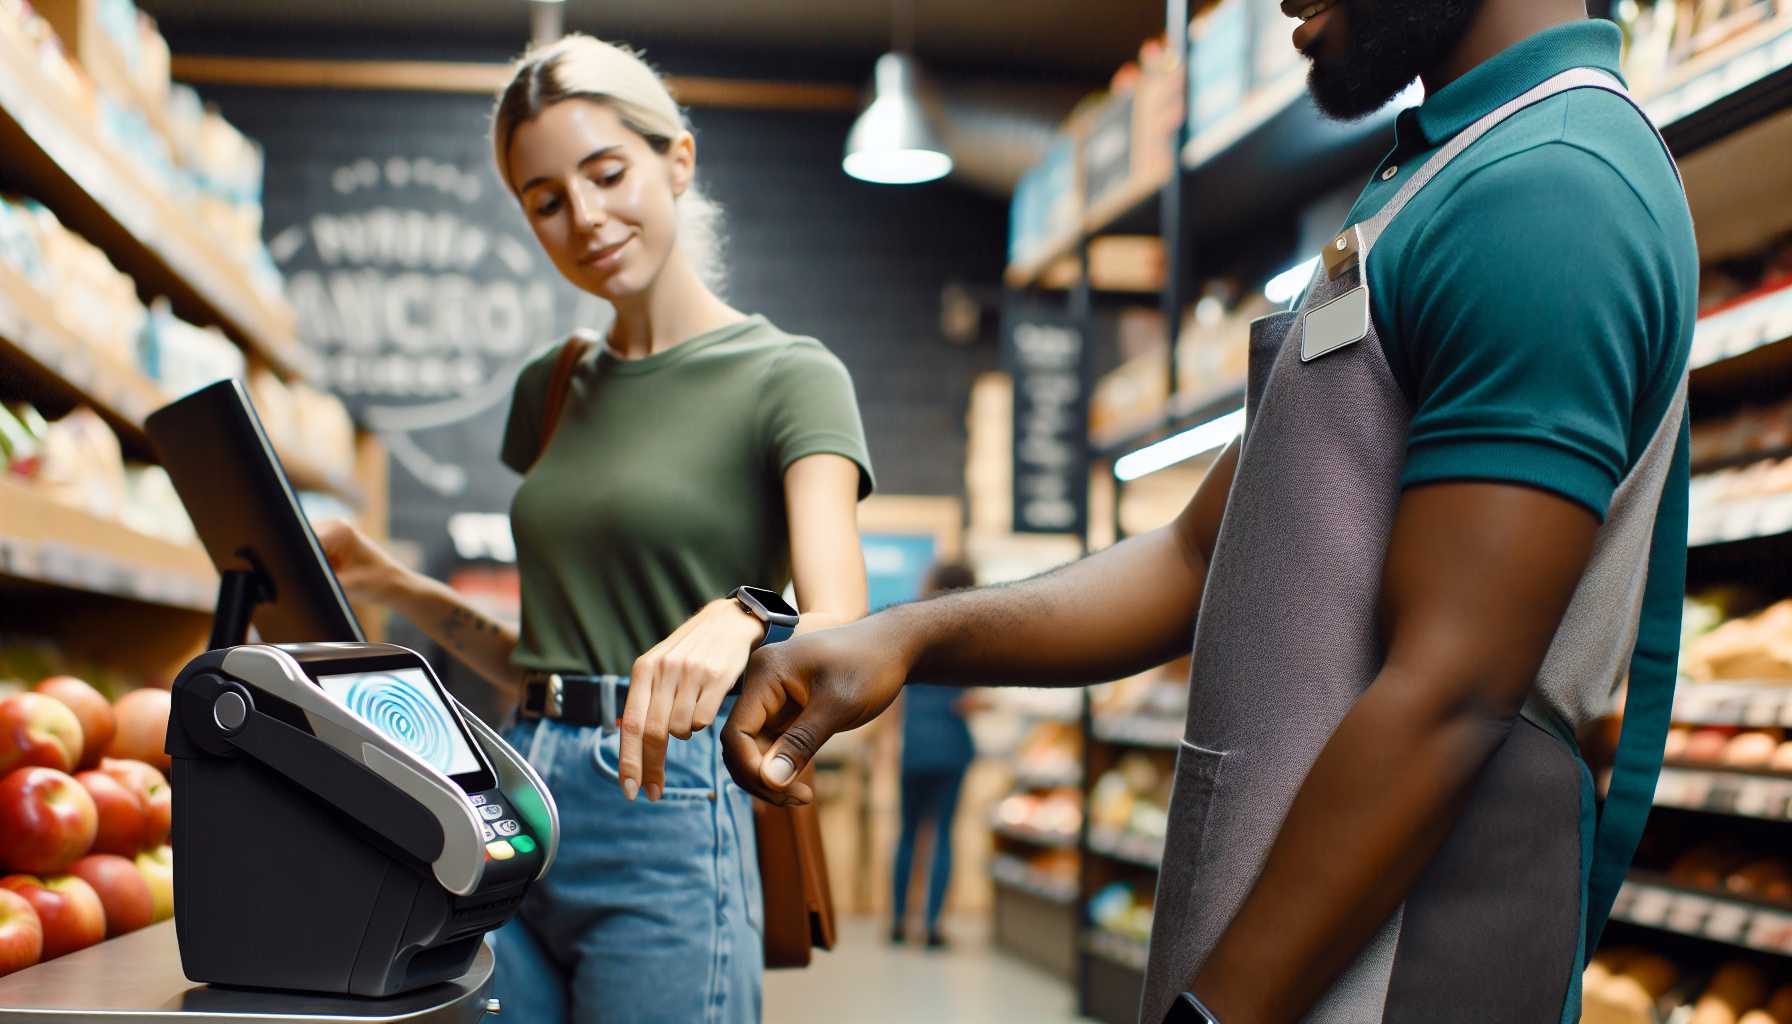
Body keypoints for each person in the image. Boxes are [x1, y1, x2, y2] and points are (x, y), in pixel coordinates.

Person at [721, 1, 1696, 1021]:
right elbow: (1197, 553)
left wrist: (1214, 1014)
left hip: (1398, 972)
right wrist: (906, 636)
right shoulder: (1440, 182)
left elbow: (1450, 689)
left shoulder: (1551, 187)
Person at [316, 34, 874, 1024]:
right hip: (520, 789)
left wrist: (750, 612)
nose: (585, 217)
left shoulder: (791, 375)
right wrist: (391, 584)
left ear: (677, 159)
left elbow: (843, 627)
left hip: (670, 803)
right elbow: (546, 652)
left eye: (607, 173)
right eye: (545, 200)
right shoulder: (551, 387)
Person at [888, 561, 979, 949]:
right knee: (942, 834)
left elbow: (893, 694)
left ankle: (897, 922)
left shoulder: (913, 628)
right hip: (952, 748)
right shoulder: (972, 636)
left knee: (908, 834)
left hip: (915, 746)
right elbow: (973, 700)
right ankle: (932, 927)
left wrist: (891, 740)